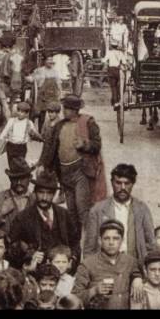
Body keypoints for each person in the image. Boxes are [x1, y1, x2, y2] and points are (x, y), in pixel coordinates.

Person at [38, 94, 106, 229]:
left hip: (81, 172)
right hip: (65, 175)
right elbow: (50, 148)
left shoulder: (88, 123)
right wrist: (43, 164)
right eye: (64, 108)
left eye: (67, 108)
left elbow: (97, 144)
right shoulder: (59, 126)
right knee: (71, 211)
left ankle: (89, 238)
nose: (64, 111)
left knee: (82, 209)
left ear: (75, 110)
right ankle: (76, 238)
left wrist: (85, 145)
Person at [81, 163, 156, 264]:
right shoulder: (97, 210)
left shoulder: (142, 209)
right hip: (105, 267)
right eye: (118, 183)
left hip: (135, 266)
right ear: (112, 183)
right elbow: (89, 249)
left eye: (127, 183)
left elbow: (151, 244)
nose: (123, 187)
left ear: (133, 184)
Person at [6, 172, 77, 272]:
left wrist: (72, 260)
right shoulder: (22, 218)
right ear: (35, 192)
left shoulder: (64, 215)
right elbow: (11, 248)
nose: (44, 197)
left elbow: (75, 242)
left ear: (54, 194)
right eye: (41, 192)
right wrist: (30, 254)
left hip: (62, 270)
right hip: (36, 272)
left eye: (49, 193)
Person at [72, 220, 145, 310]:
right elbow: (74, 297)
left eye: (116, 238)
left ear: (122, 240)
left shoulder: (130, 261)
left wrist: (137, 278)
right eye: (106, 238)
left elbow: (139, 273)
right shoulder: (87, 264)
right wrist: (94, 290)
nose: (111, 242)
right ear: (100, 240)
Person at [0, 163, 33, 238]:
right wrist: (0, 213)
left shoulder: (36, 200)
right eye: (15, 178)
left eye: (23, 178)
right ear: (10, 178)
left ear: (30, 178)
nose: (19, 182)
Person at [0, 101, 42, 172]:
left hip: (21, 148)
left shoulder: (29, 123)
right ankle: (14, 177)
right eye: (18, 111)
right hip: (11, 147)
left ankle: (27, 169)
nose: (20, 113)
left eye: (22, 112)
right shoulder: (11, 121)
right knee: (12, 167)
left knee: (20, 166)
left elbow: (34, 135)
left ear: (27, 113)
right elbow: (4, 133)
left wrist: (36, 137)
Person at [31, 55, 64, 129]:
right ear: (44, 61)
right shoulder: (40, 70)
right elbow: (34, 80)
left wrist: (60, 93)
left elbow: (59, 83)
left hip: (53, 96)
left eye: (51, 60)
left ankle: (53, 130)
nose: (50, 62)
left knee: (53, 113)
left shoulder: (55, 72)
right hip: (42, 95)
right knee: (41, 114)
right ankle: (40, 131)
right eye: (48, 60)